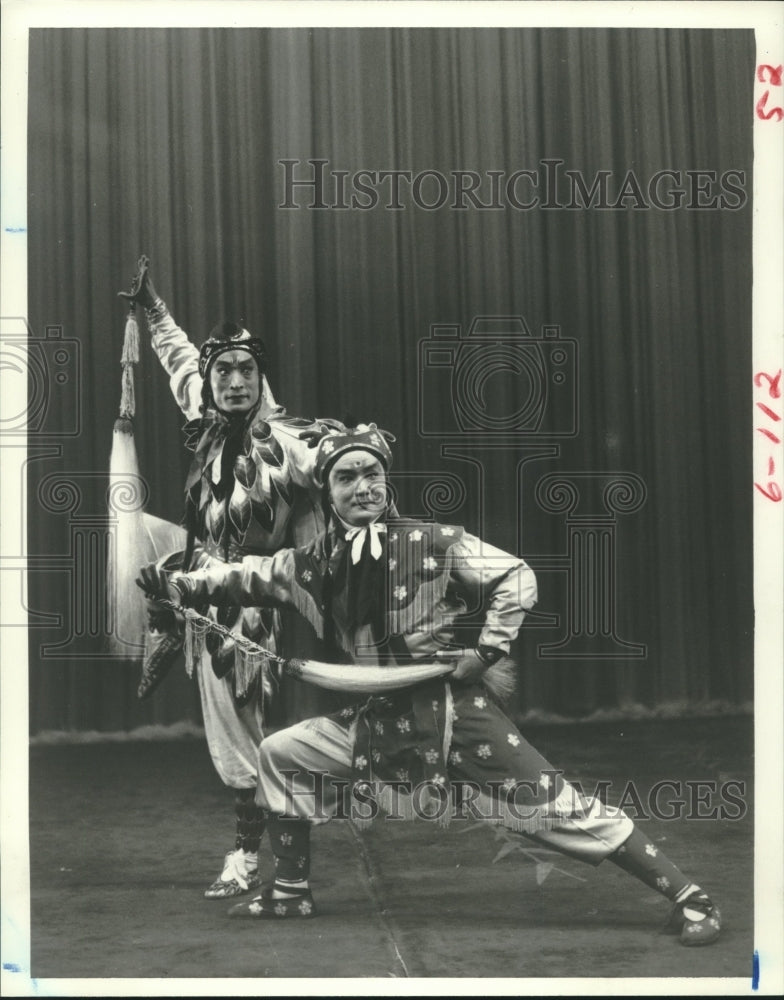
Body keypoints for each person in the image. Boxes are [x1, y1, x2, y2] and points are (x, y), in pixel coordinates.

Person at [137, 425, 721, 946]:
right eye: (347, 477)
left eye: (372, 474)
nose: (362, 486)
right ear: (327, 491)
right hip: (372, 722)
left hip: (453, 717)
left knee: (560, 811)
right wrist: (180, 585)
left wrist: (487, 650)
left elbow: (515, 576)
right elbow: (245, 576)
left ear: (386, 482)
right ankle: (291, 892)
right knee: (282, 753)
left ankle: (691, 897)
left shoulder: (434, 542)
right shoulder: (308, 565)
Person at [119, 256, 342, 900]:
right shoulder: (208, 421)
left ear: (260, 378)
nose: (235, 381)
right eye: (226, 372)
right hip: (206, 599)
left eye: (247, 371)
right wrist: (153, 308)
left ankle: (277, 865)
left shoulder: (285, 442)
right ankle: (250, 853)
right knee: (232, 736)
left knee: (263, 739)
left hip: (260, 610)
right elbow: (177, 359)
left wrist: (356, 468)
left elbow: (338, 459)